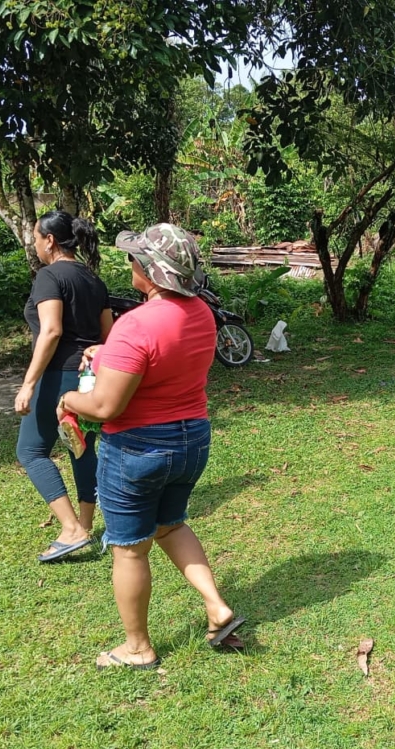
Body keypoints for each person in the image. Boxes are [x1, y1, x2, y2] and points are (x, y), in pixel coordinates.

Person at [57, 223, 244, 669]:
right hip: (192, 440)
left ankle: (137, 648)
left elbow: (104, 406)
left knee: (129, 548)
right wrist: (107, 355)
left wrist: (68, 399)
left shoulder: (135, 325)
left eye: (133, 258)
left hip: (138, 449)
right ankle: (216, 607)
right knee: (171, 526)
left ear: (149, 270)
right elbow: (163, 360)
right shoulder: (201, 312)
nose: (129, 264)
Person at [16, 211, 112, 562]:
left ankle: (72, 529)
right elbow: (107, 336)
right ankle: (85, 525)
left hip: (57, 376)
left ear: (50, 240)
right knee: (80, 447)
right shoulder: (92, 279)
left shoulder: (49, 276)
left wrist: (28, 384)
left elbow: (51, 331)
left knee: (31, 451)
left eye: (36, 238)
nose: (35, 244)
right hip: (87, 378)